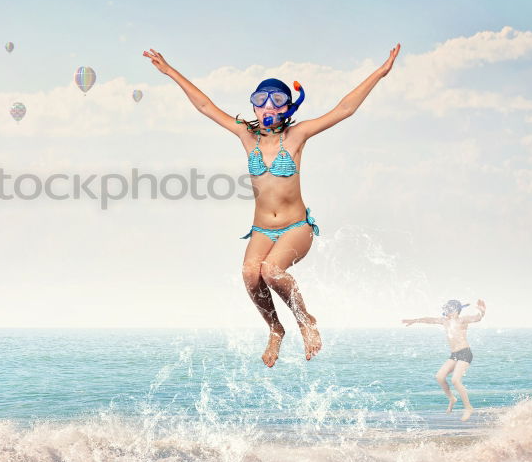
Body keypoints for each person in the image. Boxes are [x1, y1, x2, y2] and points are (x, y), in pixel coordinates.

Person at [143, 45, 401, 366]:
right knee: (251, 275)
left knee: (271, 271)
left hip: (296, 228)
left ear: (287, 109)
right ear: (254, 107)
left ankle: (306, 320)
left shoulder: (296, 136)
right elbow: (206, 106)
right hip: (262, 229)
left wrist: (379, 72)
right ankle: (275, 328)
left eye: (277, 101)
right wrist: (169, 71)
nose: (267, 108)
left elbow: (344, 109)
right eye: (260, 101)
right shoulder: (246, 136)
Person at [402, 299, 487, 421]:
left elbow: (477, 318)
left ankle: (468, 408)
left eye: (450, 310)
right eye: (447, 311)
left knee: (455, 380)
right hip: (454, 354)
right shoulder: (445, 321)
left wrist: (482, 312)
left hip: (465, 353)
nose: (447, 313)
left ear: (457, 311)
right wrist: (414, 320)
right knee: (439, 377)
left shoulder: (461, 320)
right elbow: (429, 320)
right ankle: (452, 398)